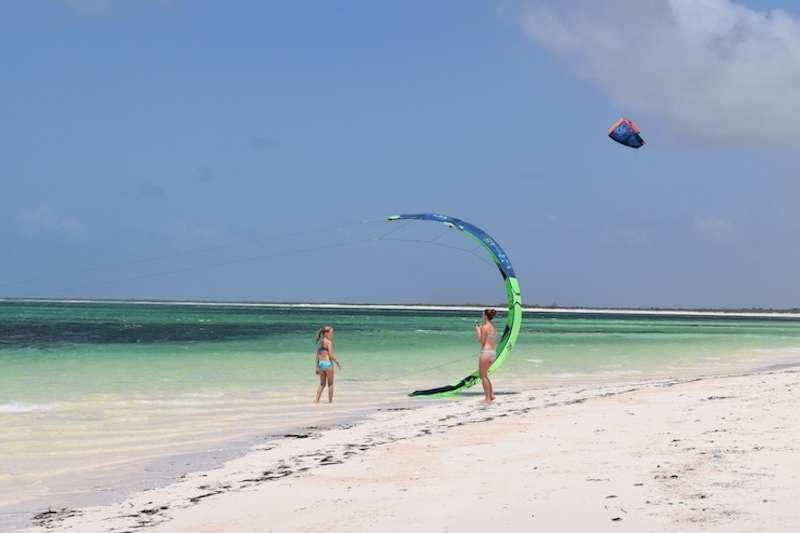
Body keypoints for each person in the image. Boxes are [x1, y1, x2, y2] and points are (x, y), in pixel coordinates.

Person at [475, 309, 498, 403]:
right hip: (492, 353)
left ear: (485, 316)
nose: (482, 316)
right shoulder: (493, 326)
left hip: (486, 353)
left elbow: (481, 341)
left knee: (483, 376)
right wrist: (481, 329)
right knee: (485, 375)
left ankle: (487, 398)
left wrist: (478, 330)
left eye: (482, 314)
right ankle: (491, 395)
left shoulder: (485, 327)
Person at [315, 325, 341, 403]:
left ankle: (316, 400)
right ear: (326, 333)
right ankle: (330, 402)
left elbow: (317, 355)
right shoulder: (329, 342)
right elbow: (330, 354)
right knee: (330, 384)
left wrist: (317, 367)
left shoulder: (320, 342)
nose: (332, 334)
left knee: (322, 384)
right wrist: (337, 362)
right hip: (328, 364)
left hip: (321, 364)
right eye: (331, 333)